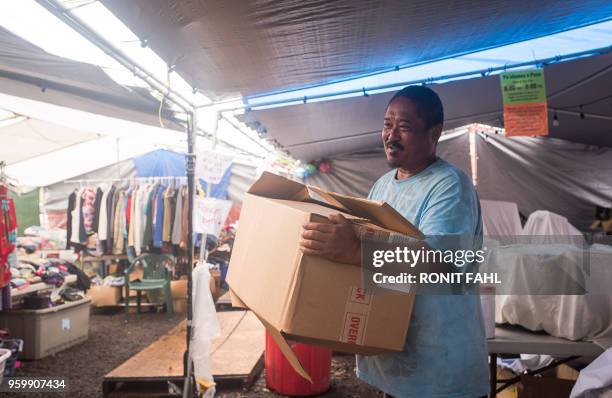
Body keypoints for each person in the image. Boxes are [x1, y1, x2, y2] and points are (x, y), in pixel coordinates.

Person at [300, 85, 489, 398]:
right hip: (392, 363)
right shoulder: (382, 187)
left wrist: (355, 251)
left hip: (441, 372)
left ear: (435, 132)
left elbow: (438, 263)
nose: (391, 135)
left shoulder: (449, 186)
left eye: (405, 127)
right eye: (387, 125)